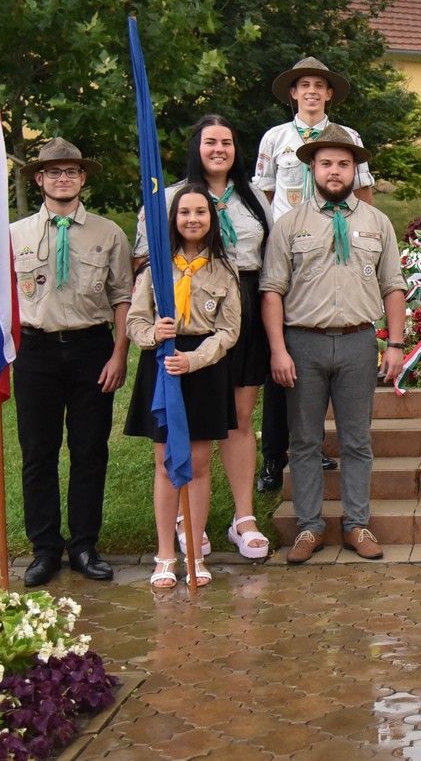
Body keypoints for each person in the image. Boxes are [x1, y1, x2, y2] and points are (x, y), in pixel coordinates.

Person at [260, 125, 408, 565]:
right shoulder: (290, 224)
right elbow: (272, 290)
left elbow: (393, 286)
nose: (335, 171)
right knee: (305, 440)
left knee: (357, 440)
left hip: (358, 342)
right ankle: (309, 527)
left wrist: (395, 344)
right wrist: (278, 350)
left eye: (344, 163)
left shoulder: (377, 223)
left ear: (354, 169)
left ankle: (356, 524)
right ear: (312, 168)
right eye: (326, 163)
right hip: (302, 344)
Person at [135, 115, 273, 560]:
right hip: (187, 308)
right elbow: (146, 261)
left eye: (227, 142)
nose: (219, 149)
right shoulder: (171, 197)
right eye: (210, 141)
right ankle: (184, 517)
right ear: (196, 147)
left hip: (243, 301)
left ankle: (243, 518)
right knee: (185, 416)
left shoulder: (254, 197)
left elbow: (270, 255)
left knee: (239, 415)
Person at [8, 138, 133, 586]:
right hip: (35, 351)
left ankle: (84, 545)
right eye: (54, 172)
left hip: (91, 351)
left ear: (83, 179)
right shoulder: (14, 235)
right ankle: (44, 548)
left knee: (89, 450)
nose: (64, 178)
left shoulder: (109, 233)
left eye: (72, 171)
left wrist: (119, 354)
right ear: (39, 179)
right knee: (38, 453)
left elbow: (123, 297)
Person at [252, 56, 372, 492]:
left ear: (329, 94)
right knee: (282, 352)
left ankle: (313, 443)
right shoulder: (275, 138)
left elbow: (364, 195)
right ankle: (274, 456)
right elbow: (264, 196)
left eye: (319, 86)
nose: (311, 92)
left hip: (333, 251)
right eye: (304, 85)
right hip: (289, 253)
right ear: (293, 93)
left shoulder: (347, 138)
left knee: (319, 346)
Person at [125, 185, 242, 588]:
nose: (193, 219)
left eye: (201, 212)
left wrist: (194, 360)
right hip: (162, 365)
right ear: (173, 220)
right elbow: (135, 320)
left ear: (212, 219)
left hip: (203, 369)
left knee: (198, 464)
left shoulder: (224, 270)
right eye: (184, 212)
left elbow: (228, 331)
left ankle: (195, 554)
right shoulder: (155, 269)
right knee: (165, 464)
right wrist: (153, 334)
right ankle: (164, 556)